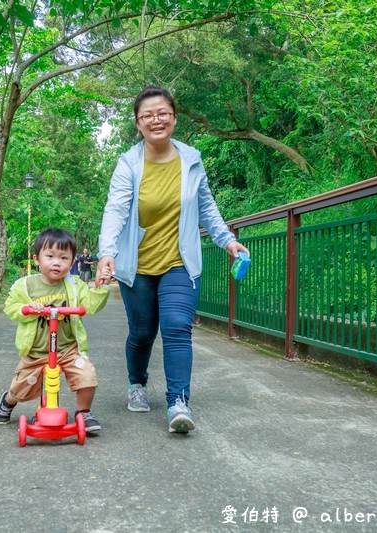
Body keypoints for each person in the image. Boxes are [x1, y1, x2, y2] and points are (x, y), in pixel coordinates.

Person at [95, 85, 248, 434]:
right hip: (137, 265)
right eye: (147, 116)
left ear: (174, 117)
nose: (156, 120)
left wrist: (227, 240)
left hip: (180, 261)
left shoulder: (191, 159)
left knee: (178, 326)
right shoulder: (128, 164)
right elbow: (115, 210)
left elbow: (206, 206)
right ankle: (137, 382)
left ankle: (179, 401)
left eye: (162, 113)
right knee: (143, 332)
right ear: (138, 124)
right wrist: (107, 253)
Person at [0, 228, 109, 434]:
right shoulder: (26, 286)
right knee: (22, 386)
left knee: (86, 374)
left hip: (66, 349)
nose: (57, 262)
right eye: (50, 256)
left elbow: (89, 305)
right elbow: (11, 307)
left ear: (73, 262)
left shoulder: (75, 285)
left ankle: (84, 412)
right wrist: (28, 309)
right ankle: (8, 401)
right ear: (37, 259)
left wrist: (100, 288)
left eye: (64, 258)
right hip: (36, 351)